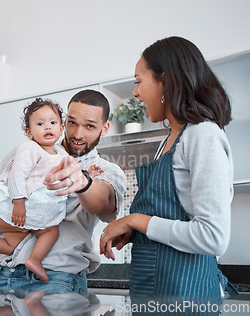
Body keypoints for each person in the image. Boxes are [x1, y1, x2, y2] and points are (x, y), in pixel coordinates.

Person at [99, 36, 237, 301]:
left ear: (165, 80)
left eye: (139, 81)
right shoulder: (168, 142)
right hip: (153, 296)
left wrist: (135, 220)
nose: (135, 93)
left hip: (187, 298)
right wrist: (137, 233)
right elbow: (171, 224)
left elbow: (212, 237)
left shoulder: (202, 135)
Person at [0, 89, 127, 294]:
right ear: (64, 123)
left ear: (104, 128)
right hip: (4, 276)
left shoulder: (107, 171)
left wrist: (83, 182)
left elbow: (102, 203)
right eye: (72, 123)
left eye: (89, 126)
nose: (78, 134)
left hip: (57, 279)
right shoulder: (23, 153)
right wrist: (29, 219)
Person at [0, 98, 69, 283]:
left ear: (61, 128)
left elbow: (71, 172)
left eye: (53, 123)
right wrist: (18, 202)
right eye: (40, 123)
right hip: (23, 204)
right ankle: (35, 259)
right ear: (29, 132)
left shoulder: (62, 153)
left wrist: (89, 172)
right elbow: (16, 174)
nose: (47, 127)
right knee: (50, 231)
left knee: (12, 245)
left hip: (38, 207)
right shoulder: (30, 148)